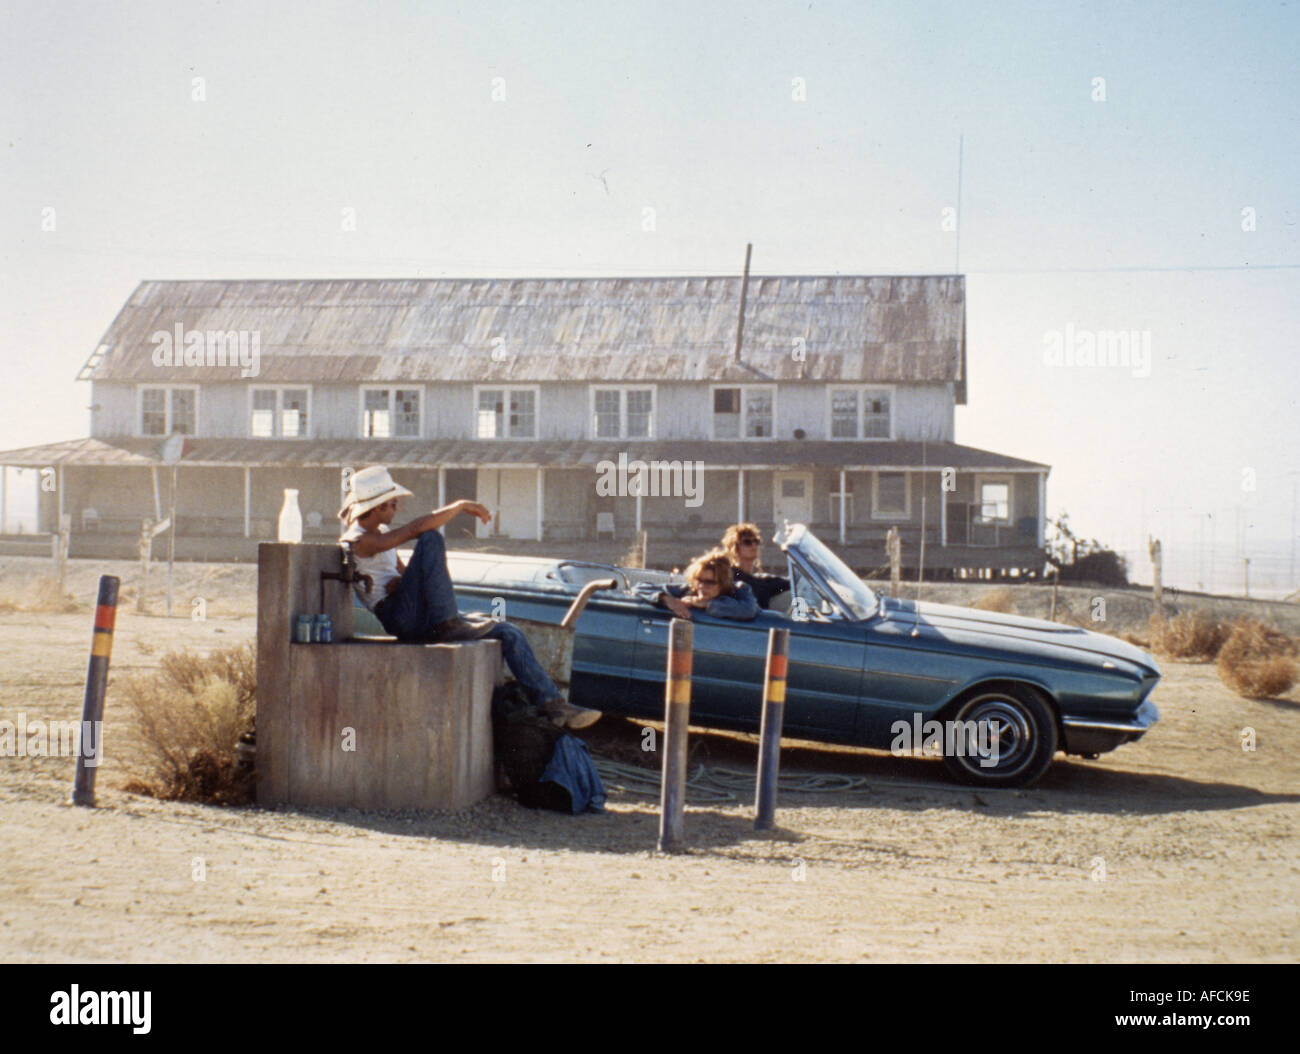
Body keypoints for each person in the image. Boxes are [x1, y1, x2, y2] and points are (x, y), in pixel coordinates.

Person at [338, 466, 601, 730]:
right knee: (430, 538)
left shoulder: (381, 533)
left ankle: (551, 703)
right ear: (379, 506)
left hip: (415, 610)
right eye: (393, 504)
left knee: (507, 631)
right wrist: (461, 506)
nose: (397, 509)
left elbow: (404, 572)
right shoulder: (358, 540)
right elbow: (417, 529)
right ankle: (449, 624)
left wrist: (405, 584)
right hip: (400, 617)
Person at [635, 548, 759, 621]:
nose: (701, 587)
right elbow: (640, 587)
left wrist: (707, 604)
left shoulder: (739, 590)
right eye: (699, 580)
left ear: (723, 583)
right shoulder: (689, 590)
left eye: (710, 582)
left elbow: (749, 610)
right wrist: (666, 599)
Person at [721, 522, 790, 610]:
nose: (754, 545)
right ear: (735, 548)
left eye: (756, 541)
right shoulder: (729, 578)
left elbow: (790, 582)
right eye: (747, 542)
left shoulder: (761, 580)